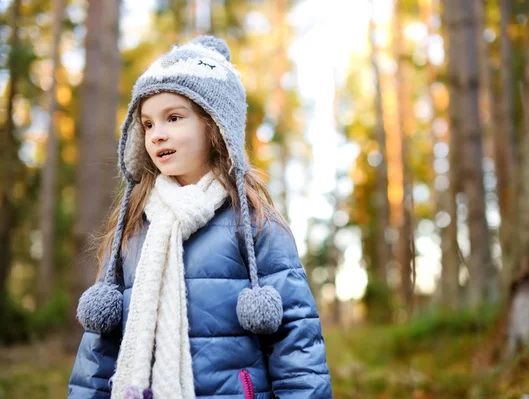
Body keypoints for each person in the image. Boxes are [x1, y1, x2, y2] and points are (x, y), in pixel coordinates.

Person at [67, 35, 332, 399]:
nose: (157, 135)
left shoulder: (254, 222)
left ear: (215, 126)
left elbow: (297, 344)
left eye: (173, 118)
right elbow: (98, 352)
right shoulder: (133, 226)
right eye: (147, 124)